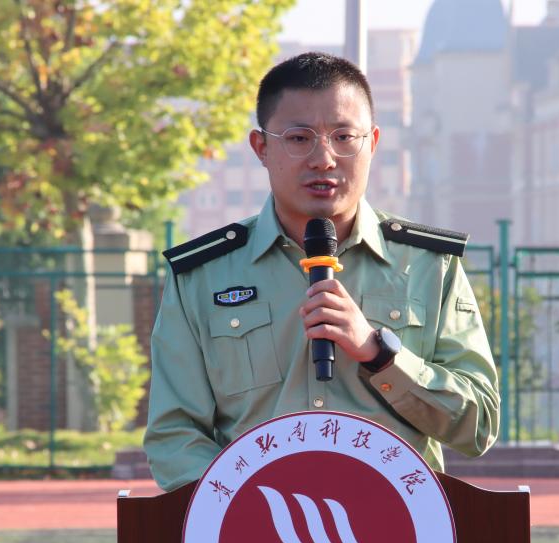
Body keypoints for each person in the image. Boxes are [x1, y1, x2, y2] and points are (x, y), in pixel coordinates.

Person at [144, 52, 499, 491]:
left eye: (344, 136)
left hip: (397, 520)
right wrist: (243, 508)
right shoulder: (203, 276)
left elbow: (478, 425)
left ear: (372, 143)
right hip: (259, 520)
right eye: (299, 138)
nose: (324, 158)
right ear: (261, 147)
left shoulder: (429, 265)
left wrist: (380, 354)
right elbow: (174, 435)